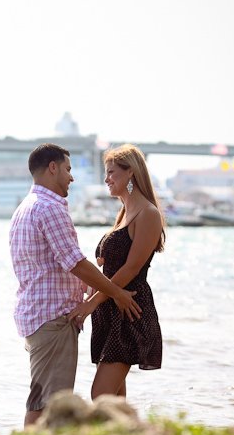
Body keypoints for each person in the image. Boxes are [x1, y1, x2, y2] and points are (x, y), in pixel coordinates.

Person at [10, 143, 142, 427]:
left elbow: (49, 266)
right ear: (52, 168)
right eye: (68, 169)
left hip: (36, 316)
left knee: (41, 399)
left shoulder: (25, 207)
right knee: (50, 405)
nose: (71, 177)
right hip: (53, 320)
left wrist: (91, 286)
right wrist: (116, 292)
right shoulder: (49, 208)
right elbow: (75, 263)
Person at [69, 144, 166, 401]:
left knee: (100, 395)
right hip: (109, 309)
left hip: (129, 310)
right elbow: (110, 264)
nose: (106, 179)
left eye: (111, 172)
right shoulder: (124, 212)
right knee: (115, 399)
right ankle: (131, 428)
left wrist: (91, 303)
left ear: (130, 172)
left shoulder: (148, 213)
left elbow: (132, 268)